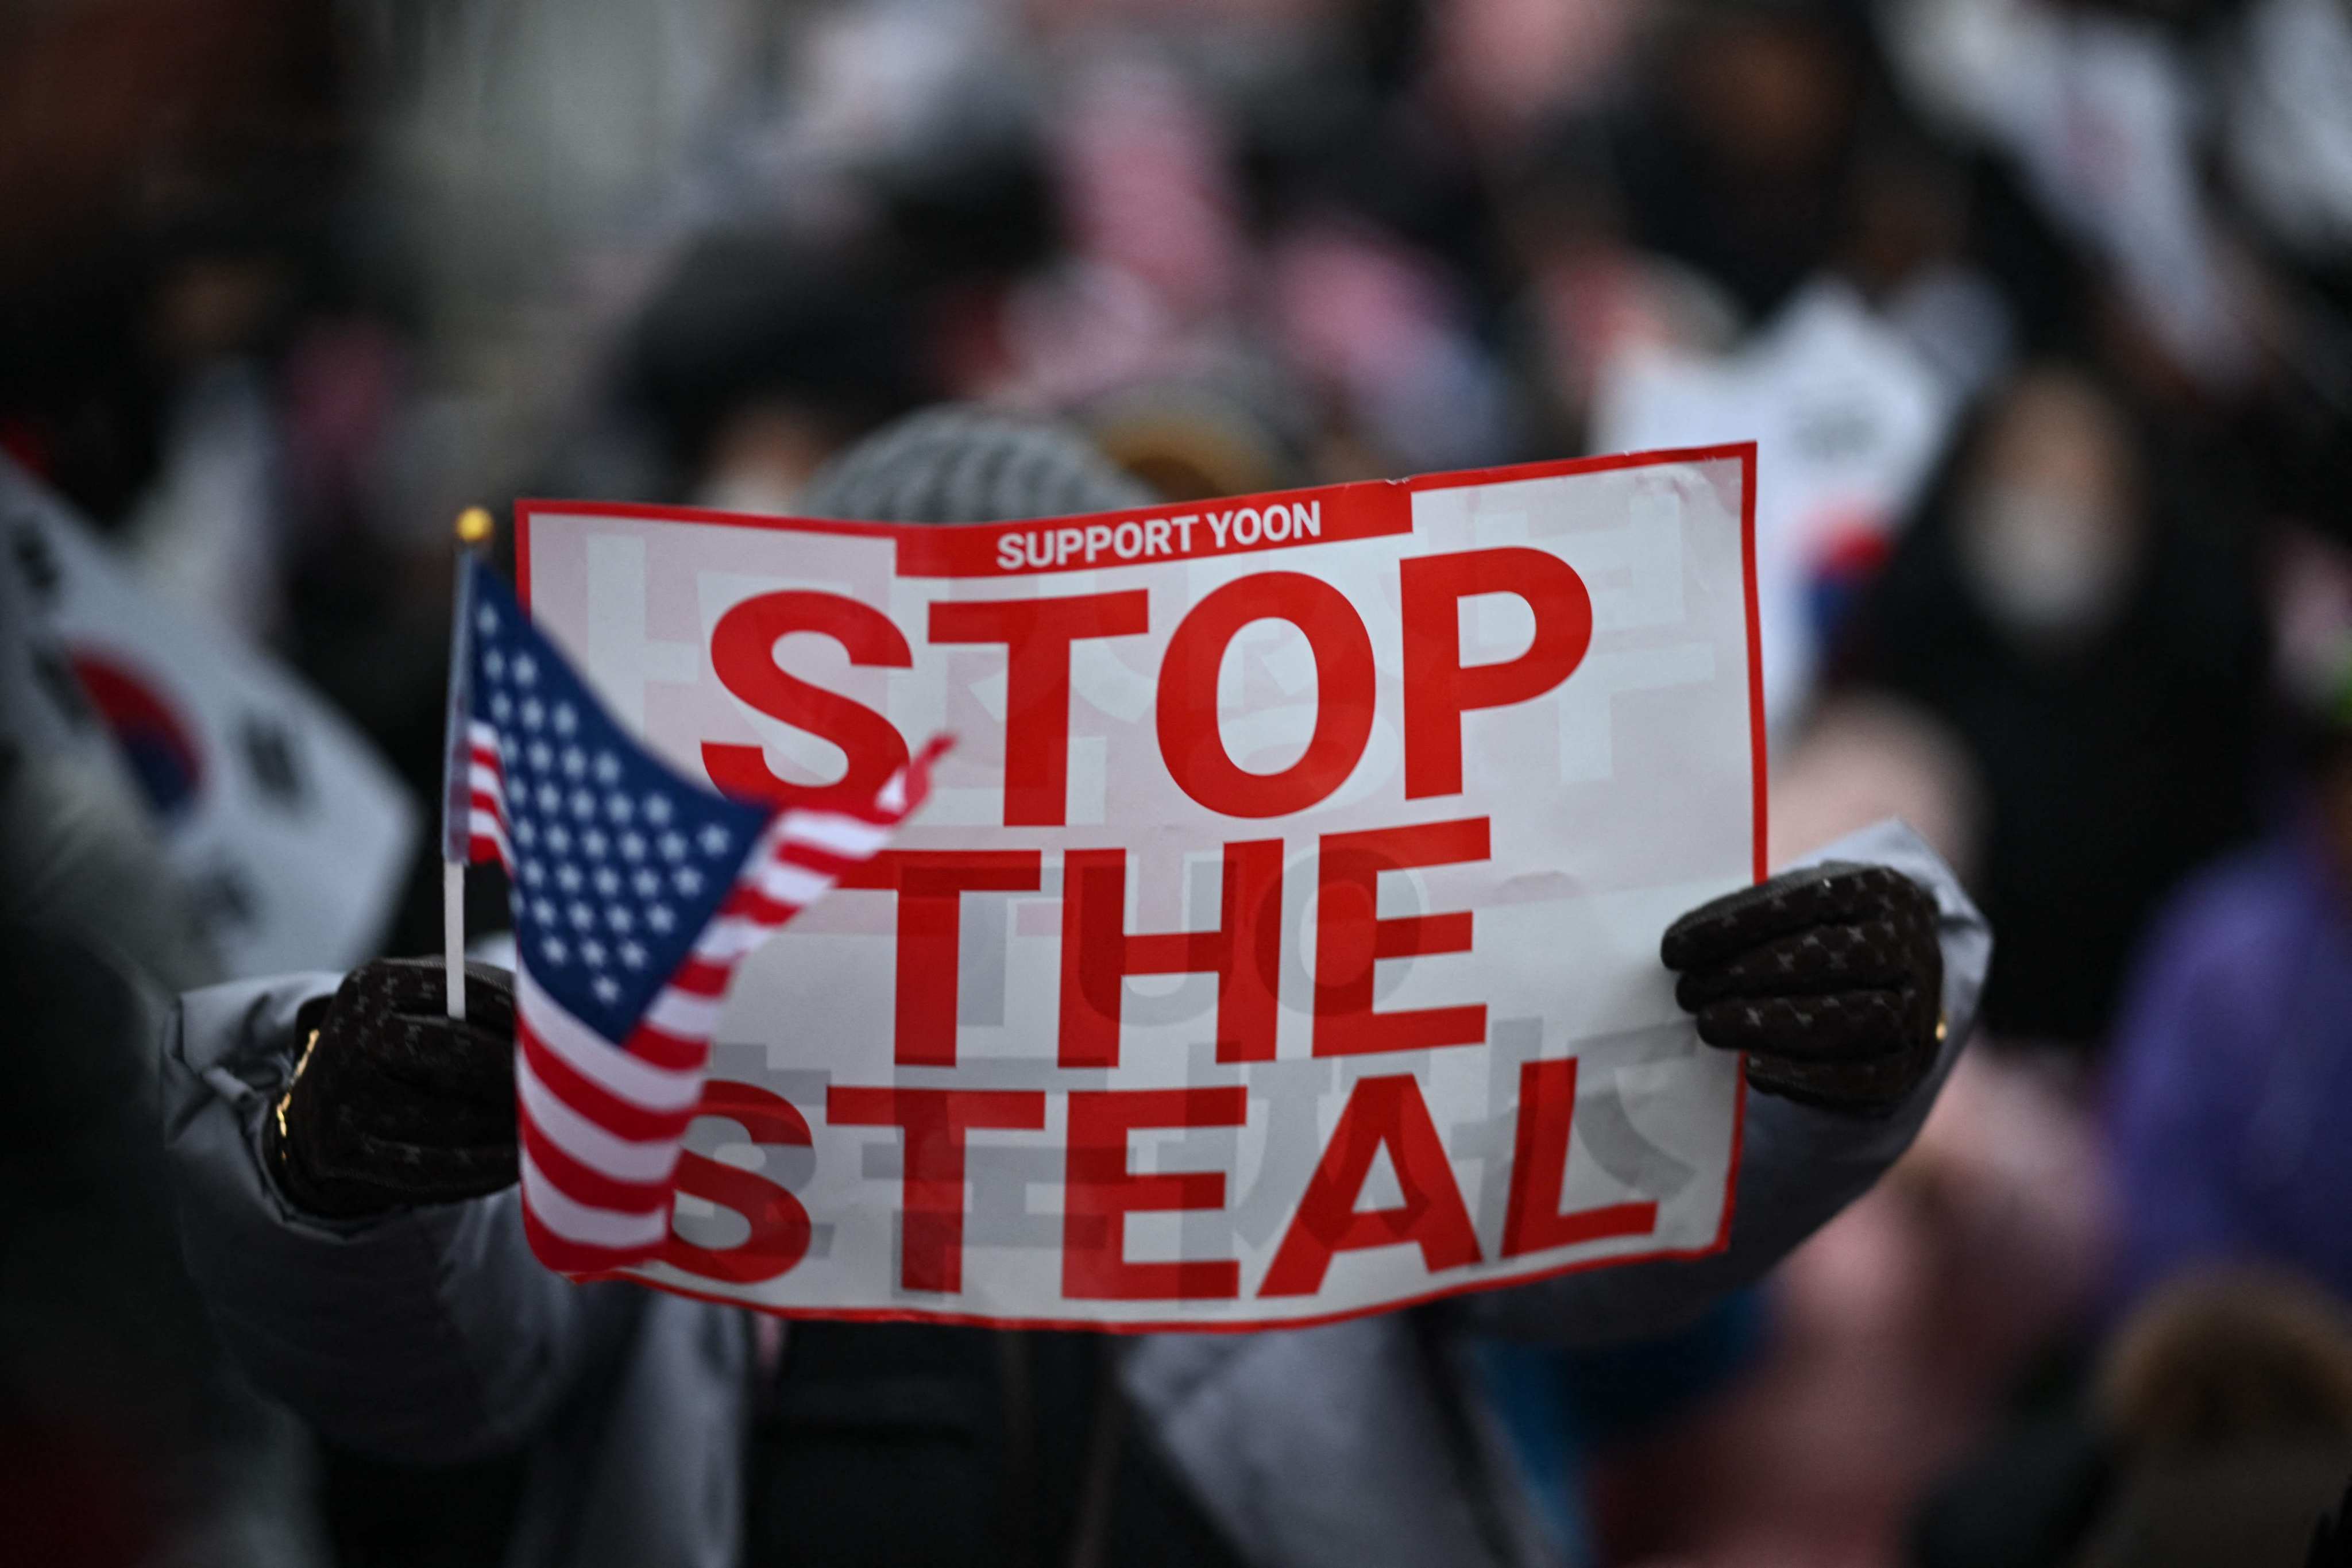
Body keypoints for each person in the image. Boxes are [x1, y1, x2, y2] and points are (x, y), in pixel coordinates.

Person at [161, 408, 1992, 1568]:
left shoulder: (1316, 1008)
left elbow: (1614, 1219)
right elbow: (433, 1374)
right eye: (928, 710)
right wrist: (341, 1166)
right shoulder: (669, 1022)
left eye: (1042, 713)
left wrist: (1837, 1052)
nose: (984, 779)